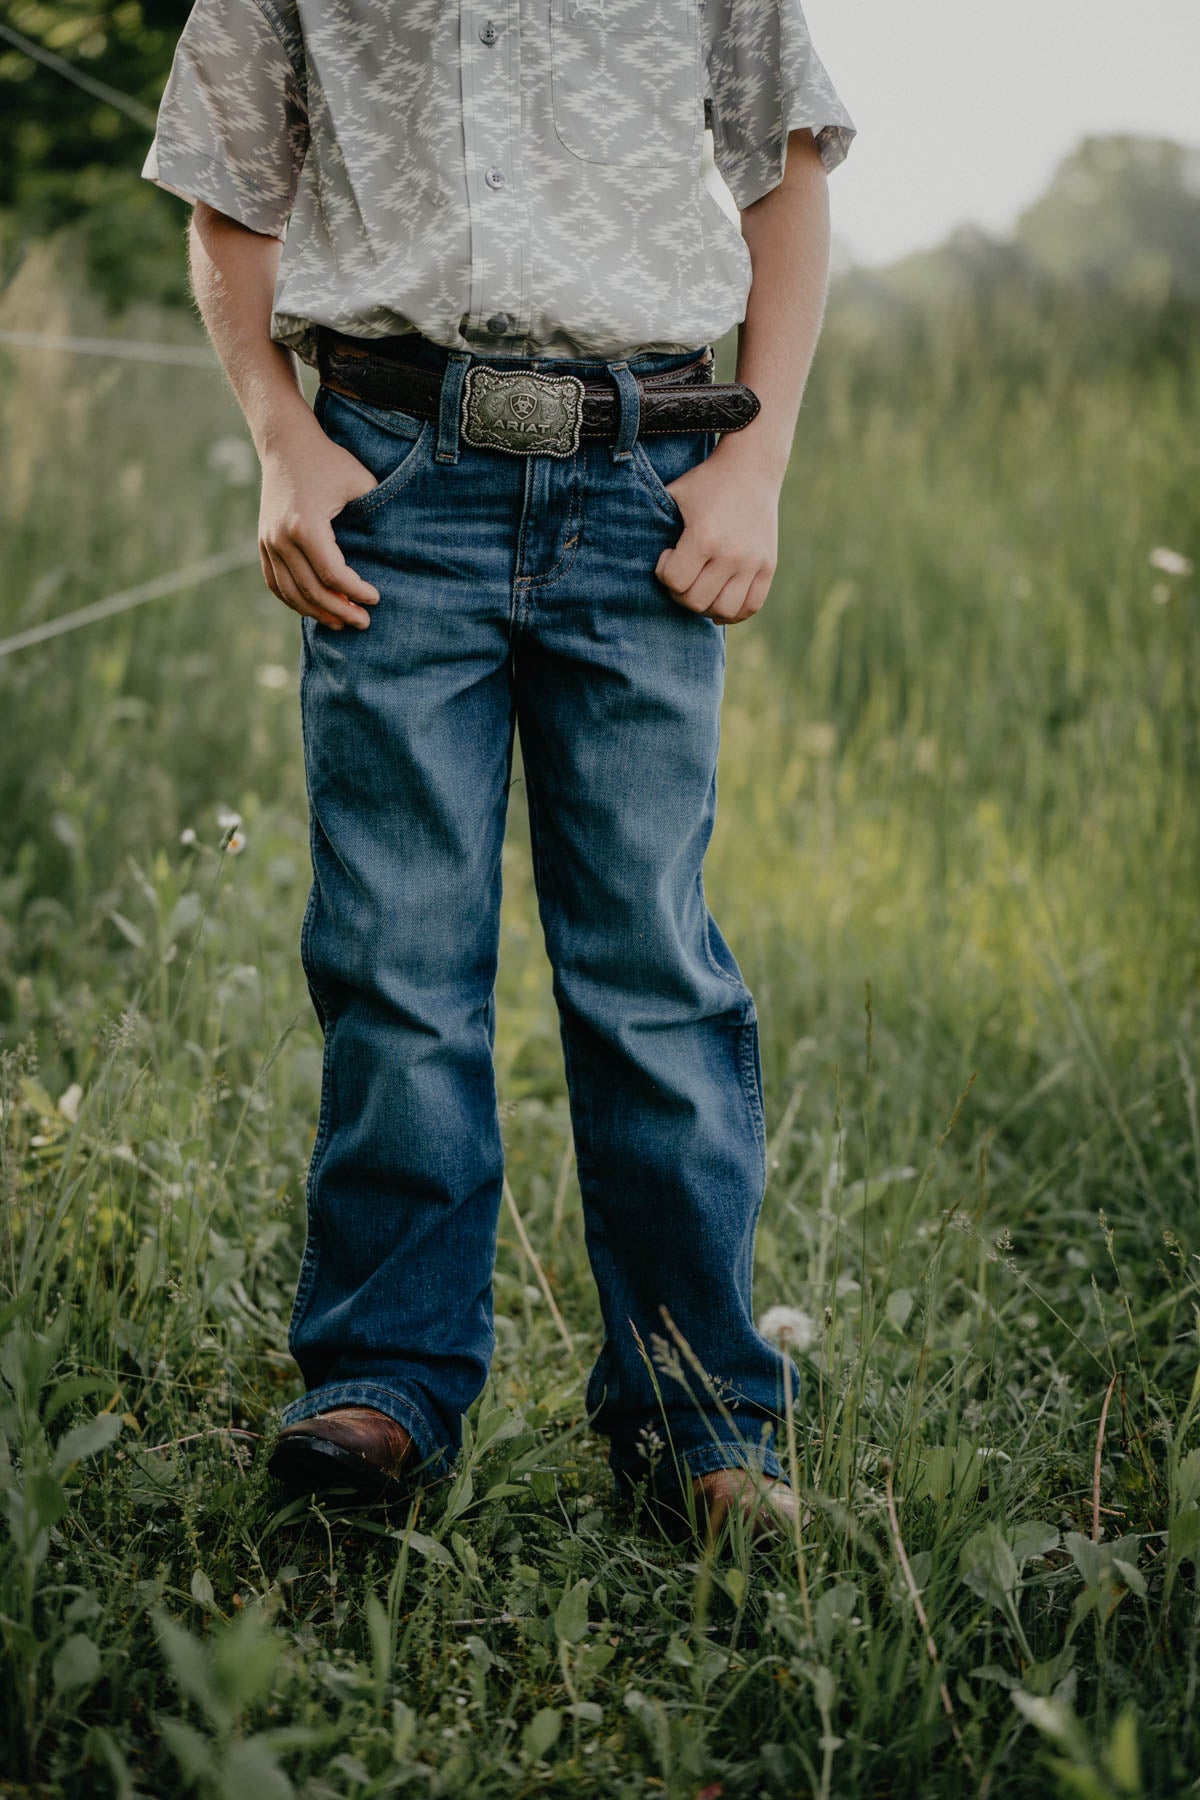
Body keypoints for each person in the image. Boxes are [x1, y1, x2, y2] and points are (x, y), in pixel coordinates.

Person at [142, 0, 855, 1543]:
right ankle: (384, 1385)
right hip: (395, 476)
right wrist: (279, 434)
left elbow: (784, 171)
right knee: (397, 955)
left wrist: (761, 459)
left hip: (648, 482)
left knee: (653, 968)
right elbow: (231, 186)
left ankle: (700, 1420)